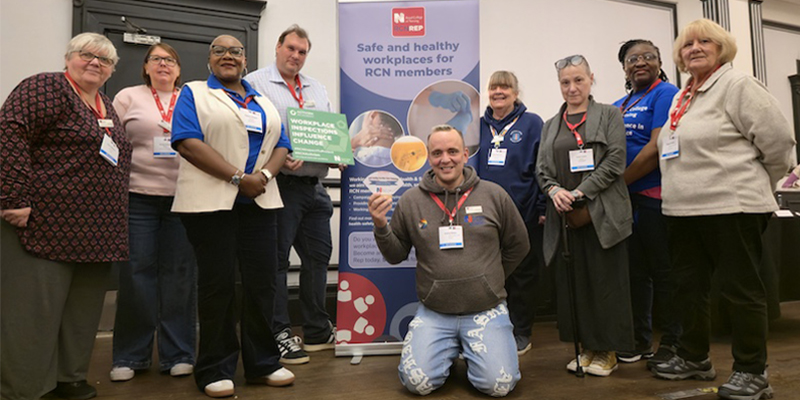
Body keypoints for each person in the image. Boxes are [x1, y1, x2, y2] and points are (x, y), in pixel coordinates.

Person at [651, 19, 796, 400]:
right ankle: (693, 357)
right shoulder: (684, 96)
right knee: (689, 288)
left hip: (733, 207)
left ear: (722, 48)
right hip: (682, 211)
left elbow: (780, 143)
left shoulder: (738, 85)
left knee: (741, 291)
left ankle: (752, 371)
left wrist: (758, 183)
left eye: (705, 41)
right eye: (687, 44)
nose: (695, 48)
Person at [0, 32, 131, 400]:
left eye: (105, 60)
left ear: (111, 70)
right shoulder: (44, 87)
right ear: (68, 57)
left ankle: (68, 377)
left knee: (81, 313)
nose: (95, 63)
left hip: (97, 231)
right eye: (87, 54)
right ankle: (24, 389)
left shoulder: (106, 104)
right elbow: (9, 134)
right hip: (44, 223)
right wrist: (13, 197)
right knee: (32, 311)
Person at [170, 34, 294, 398]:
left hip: (260, 204)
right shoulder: (194, 93)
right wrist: (239, 178)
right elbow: (188, 143)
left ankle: (264, 363)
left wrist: (263, 177)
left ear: (245, 60)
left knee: (262, 285)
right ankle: (214, 367)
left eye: (236, 51)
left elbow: (282, 144)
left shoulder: (262, 100)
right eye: (220, 50)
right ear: (210, 59)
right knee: (218, 286)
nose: (228, 56)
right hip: (212, 207)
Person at [368, 125, 529, 397]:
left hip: (486, 309)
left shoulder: (494, 194)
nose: (445, 159)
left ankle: (468, 349)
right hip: (435, 311)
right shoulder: (411, 201)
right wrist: (380, 224)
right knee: (416, 383)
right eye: (437, 153)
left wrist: (491, 278)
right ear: (429, 157)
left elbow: (519, 244)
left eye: (453, 151)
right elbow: (395, 255)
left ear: (465, 154)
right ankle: (451, 349)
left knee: (498, 386)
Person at [536, 54, 634, 377]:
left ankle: (608, 352)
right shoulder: (551, 125)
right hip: (566, 215)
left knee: (605, 283)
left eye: (579, 80)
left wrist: (580, 193)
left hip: (602, 214)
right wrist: (555, 191)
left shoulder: (609, 115)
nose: (572, 87)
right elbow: (542, 170)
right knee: (576, 284)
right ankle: (588, 348)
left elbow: (615, 162)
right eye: (565, 82)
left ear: (592, 79)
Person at [245, 24, 337, 365]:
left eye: (302, 52)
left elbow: (328, 133)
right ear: (278, 47)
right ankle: (279, 332)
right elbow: (250, 132)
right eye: (291, 49)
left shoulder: (316, 87)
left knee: (317, 259)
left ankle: (317, 330)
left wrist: (338, 153)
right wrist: (280, 155)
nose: (296, 56)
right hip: (279, 185)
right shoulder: (255, 83)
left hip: (315, 188)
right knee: (278, 262)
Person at [109, 43, 197, 382]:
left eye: (170, 60)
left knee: (180, 276)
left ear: (179, 69)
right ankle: (130, 356)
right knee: (136, 275)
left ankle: (179, 354)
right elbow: (110, 141)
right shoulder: (127, 97)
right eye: (156, 59)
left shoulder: (191, 98)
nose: (163, 64)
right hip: (137, 199)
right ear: (145, 67)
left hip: (183, 199)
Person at [611, 39, 682, 368]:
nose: (640, 62)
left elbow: (656, 148)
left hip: (655, 198)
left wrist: (617, 184)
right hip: (627, 203)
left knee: (664, 274)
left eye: (648, 57)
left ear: (659, 63)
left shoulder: (666, 94)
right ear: (624, 68)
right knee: (635, 274)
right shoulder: (619, 104)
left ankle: (673, 342)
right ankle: (639, 340)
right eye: (632, 59)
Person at [477, 71, 546, 356]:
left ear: (516, 93)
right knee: (489, 274)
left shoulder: (532, 123)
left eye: (505, 87)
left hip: (524, 214)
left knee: (522, 276)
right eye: (494, 87)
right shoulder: (478, 126)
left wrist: (542, 207)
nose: (499, 92)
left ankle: (521, 331)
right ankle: (492, 330)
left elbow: (543, 167)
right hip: (483, 217)